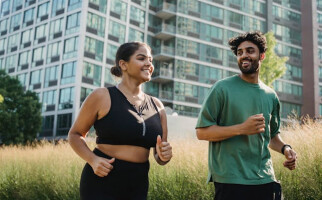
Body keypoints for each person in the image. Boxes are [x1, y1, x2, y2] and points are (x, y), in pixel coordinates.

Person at [195, 31, 297, 200]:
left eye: (250, 51)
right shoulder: (222, 88)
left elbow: (272, 137)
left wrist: (286, 149)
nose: (244, 56)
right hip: (230, 180)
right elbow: (202, 132)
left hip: (265, 178)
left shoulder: (270, 95)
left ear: (262, 56)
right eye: (240, 52)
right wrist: (242, 129)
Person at [68, 42, 172, 200]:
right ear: (123, 64)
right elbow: (75, 134)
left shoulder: (158, 106)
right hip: (102, 181)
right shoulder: (102, 96)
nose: (148, 64)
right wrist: (93, 160)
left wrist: (164, 156)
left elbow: (159, 156)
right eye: (141, 58)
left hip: (138, 184)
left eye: (150, 60)